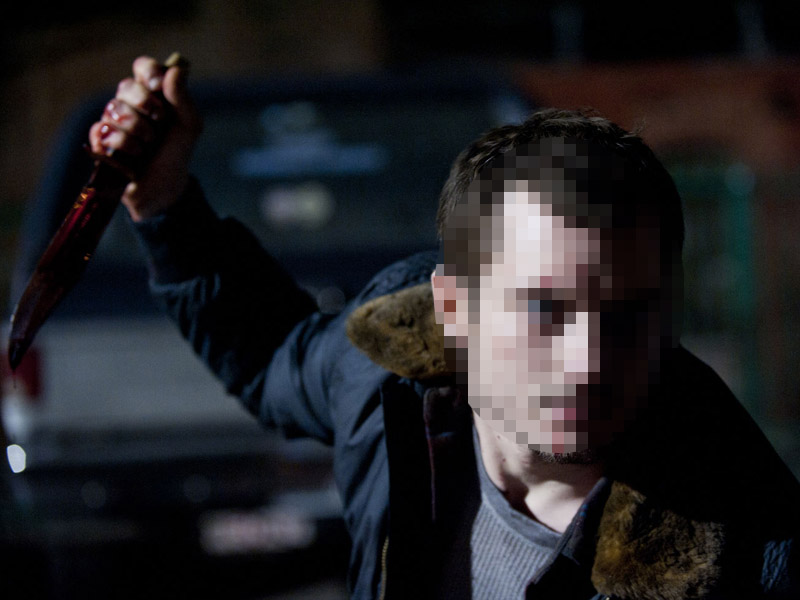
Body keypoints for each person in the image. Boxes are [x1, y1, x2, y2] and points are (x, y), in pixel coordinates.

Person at [88, 56, 800, 599]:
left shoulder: (749, 547)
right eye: (544, 309)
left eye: (630, 313)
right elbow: (273, 350)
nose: (588, 359)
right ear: (454, 310)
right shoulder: (388, 372)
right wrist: (164, 200)